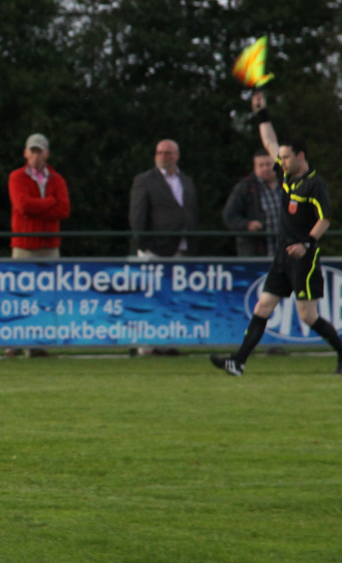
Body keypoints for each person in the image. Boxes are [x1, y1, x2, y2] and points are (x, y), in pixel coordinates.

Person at [211, 91, 342, 376]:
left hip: (304, 258)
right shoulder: (286, 175)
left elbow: (325, 219)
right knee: (263, 306)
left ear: (300, 156)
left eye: (285, 157)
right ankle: (238, 362)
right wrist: (262, 113)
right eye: (280, 158)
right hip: (283, 256)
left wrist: (307, 243)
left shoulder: (314, 184)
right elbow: (269, 141)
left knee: (308, 316)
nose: (280, 162)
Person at [129, 140, 198, 257]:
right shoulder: (145, 181)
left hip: (183, 248)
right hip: (154, 250)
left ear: (177, 155)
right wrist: (143, 244)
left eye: (167, 153)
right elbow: (137, 215)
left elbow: (191, 211)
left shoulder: (186, 181)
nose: (163, 157)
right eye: (159, 153)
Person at [8, 134, 69, 260]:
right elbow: (23, 206)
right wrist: (50, 201)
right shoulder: (17, 177)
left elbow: (64, 210)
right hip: (24, 246)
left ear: (47, 154)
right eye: (33, 151)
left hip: (50, 247)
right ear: (25, 153)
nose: (36, 156)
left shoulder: (57, 179)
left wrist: (34, 211)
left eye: (39, 152)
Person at [223, 147, 281, 258]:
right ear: (255, 168)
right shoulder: (245, 188)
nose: (265, 168)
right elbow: (229, 215)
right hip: (256, 251)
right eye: (261, 165)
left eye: (268, 164)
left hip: (286, 252)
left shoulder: (287, 185)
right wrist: (247, 225)